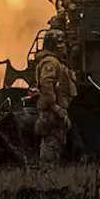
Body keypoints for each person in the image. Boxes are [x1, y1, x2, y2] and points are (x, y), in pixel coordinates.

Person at [34, 29, 77, 166]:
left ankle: (51, 176)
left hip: (56, 112)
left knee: (57, 143)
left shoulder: (56, 62)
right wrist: (56, 108)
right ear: (54, 45)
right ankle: (47, 176)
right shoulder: (50, 63)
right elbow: (46, 84)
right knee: (51, 144)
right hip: (52, 113)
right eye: (61, 43)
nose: (64, 47)